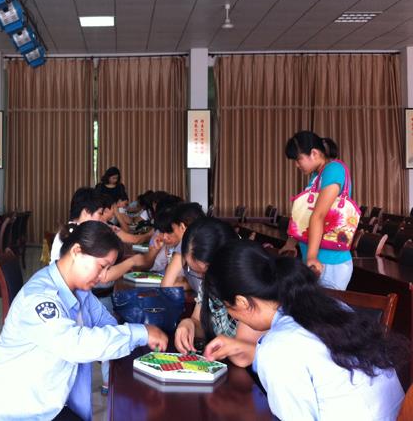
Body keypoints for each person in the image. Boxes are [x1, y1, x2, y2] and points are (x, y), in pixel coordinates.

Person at [0, 221, 168, 421]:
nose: (103, 277)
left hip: (46, 408)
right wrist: (139, 333)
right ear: (76, 252)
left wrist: (136, 337)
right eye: (101, 266)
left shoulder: (80, 291)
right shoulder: (40, 298)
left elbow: (106, 323)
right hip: (12, 414)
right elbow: (76, 344)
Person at [202, 239, 406, 420]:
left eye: (228, 308)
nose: (232, 316)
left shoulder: (278, 347)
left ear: (242, 302)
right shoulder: (327, 306)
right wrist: (252, 352)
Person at [169, 217, 262, 355]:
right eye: (195, 271)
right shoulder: (209, 278)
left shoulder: (248, 285)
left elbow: (242, 357)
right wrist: (189, 324)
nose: (203, 279)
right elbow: (199, 321)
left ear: (226, 260)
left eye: (205, 272)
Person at [281, 131, 354, 290]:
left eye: (298, 159)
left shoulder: (334, 169)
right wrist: (290, 243)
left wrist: (312, 257)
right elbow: (303, 216)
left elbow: (319, 215)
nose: (297, 165)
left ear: (314, 153)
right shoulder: (317, 176)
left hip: (329, 262)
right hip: (315, 260)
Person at [50, 187, 104, 263]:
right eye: (100, 213)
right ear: (87, 212)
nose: (102, 219)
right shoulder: (72, 234)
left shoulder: (78, 230)